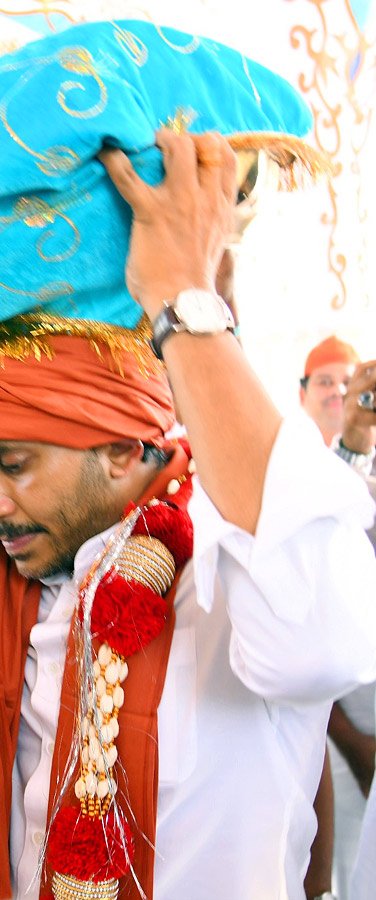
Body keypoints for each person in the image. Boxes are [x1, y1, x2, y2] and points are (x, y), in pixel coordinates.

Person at [0, 130, 376, 900]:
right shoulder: (9, 552)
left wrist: (181, 299)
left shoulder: (220, 572)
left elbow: (319, 641)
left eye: (14, 464)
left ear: (125, 449)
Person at [300, 339, 376, 900]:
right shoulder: (296, 475)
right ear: (302, 395)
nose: (341, 392)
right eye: (327, 382)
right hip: (338, 741)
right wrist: (350, 740)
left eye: (348, 381)